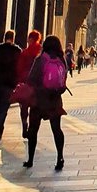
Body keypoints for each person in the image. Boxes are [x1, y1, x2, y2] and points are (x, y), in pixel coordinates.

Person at [24, 35, 68, 171]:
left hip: (39, 100)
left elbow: (31, 79)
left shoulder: (40, 60)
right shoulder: (61, 61)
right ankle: (60, 157)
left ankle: (30, 159)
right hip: (54, 100)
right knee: (56, 130)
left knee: (33, 130)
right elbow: (63, 80)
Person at [16, 30, 43, 138]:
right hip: (37, 83)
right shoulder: (41, 52)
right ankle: (32, 127)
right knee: (34, 105)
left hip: (25, 81)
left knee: (23, 106)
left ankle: (24, 123)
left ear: (31, 39)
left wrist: (18, 81)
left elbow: (19, 67)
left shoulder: (25, 52)